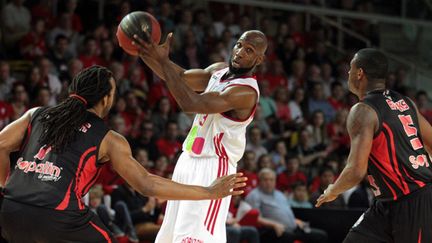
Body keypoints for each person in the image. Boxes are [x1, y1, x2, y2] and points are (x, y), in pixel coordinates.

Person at [0, 66, 246, 242]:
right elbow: (147, 185)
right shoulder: (108, 138)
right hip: (59, 217)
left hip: (9, 211)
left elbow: (1, 145)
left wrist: (6, 184)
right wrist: (209, 192)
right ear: (107, 99)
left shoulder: (36, 114)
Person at [132, 30, 267, 242]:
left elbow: (190, 104)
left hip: (213, 166)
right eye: (239, 45)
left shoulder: (245, 92)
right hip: (188, 159)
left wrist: (163, 61)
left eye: (249, 51)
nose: (240, 52)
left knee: (194, 237)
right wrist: (144, 51)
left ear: (258, 59)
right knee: (169, 236)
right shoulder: (219, 70)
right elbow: (179, 78)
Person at [316, 48, 432, 243]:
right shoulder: (405, 102)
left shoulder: (362, 110)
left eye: (350, 69)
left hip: (415, 202)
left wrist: (332, 191)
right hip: (385, 205)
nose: (348, 73)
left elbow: (356, 170)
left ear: (359, 73)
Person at [246, 168, 327, 243]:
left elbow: (285, 212)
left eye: (271, 180)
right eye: (265, 180)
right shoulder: (254, 195)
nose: (268, 182)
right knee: (288, 237)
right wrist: (274, 225)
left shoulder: (279, 194)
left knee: (321, 235)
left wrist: (296, 221)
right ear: (259, 181)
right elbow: (255, 218)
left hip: (293, 228)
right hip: (270, 230)